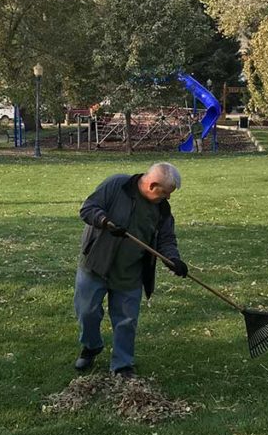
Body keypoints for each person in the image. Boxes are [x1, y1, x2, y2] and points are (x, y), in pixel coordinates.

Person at [73, 162, 189, 378]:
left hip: (130, 272)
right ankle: (91, 346)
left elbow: (166, 238)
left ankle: (122, 365)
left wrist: (173, 259)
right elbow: (87, 209)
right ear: (152, 185)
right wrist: (105, 222)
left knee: (126, 321)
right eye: (166, 193)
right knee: (86, 312)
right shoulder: (117, 185)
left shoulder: (162, 208)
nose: (168, 198)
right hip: (96, 264)